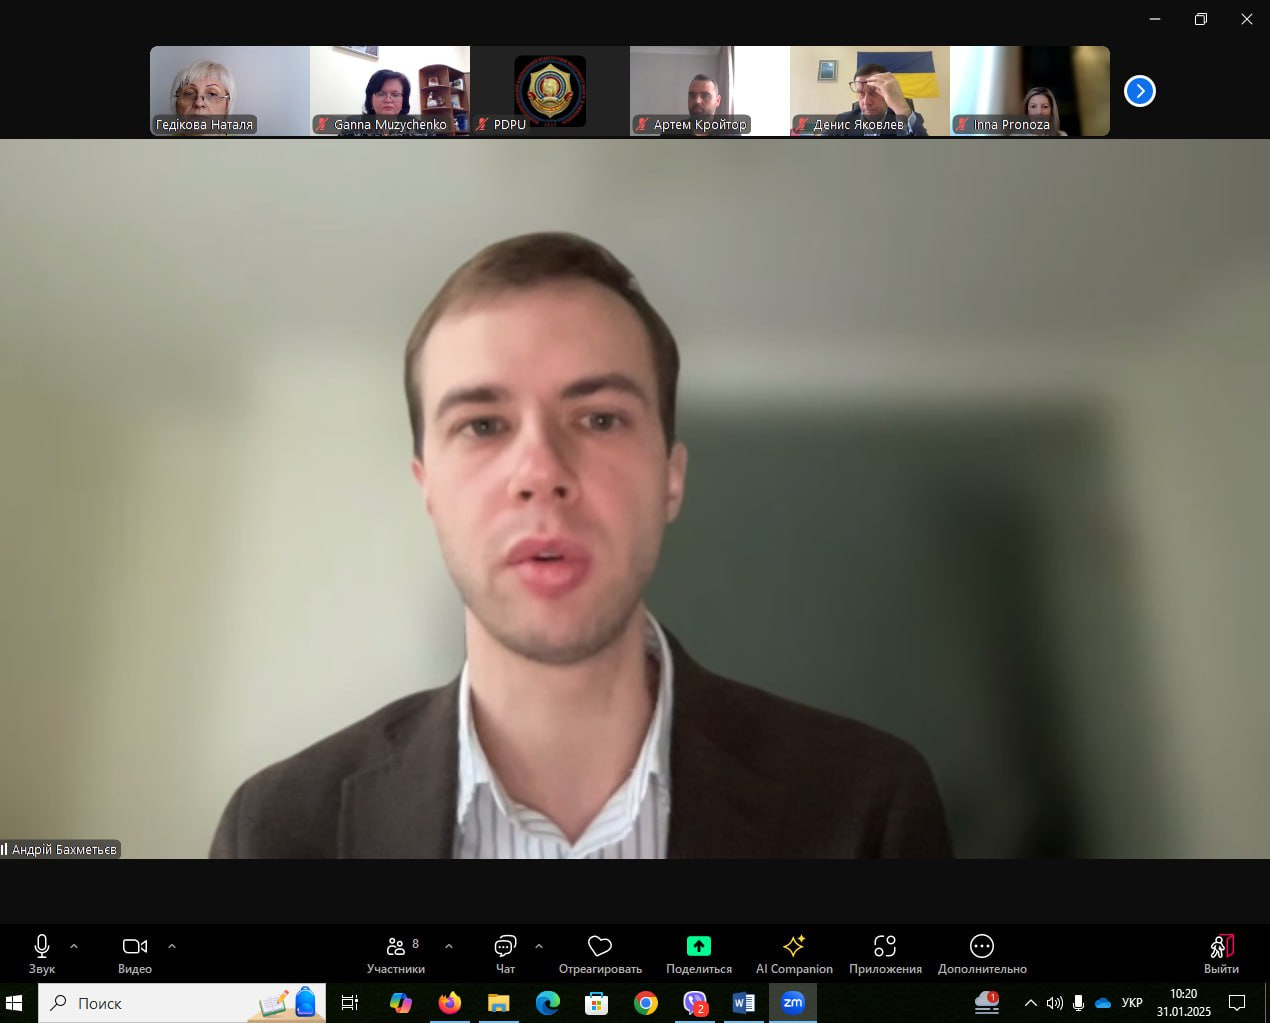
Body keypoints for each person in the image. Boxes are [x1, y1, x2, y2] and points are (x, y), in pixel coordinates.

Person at [209, 232, 953, 859]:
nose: (541, 473)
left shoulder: (868, 806)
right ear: (428, 487)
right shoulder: (277, 832)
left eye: (599, 419)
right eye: (483, 425)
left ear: (670, 478)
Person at [822, 62, 928, 137]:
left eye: (874, 92)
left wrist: (902, 109)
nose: (866, 102)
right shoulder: (843, 120)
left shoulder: (906, 119)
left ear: (887, 93)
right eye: (861, 93)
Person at [658, 73, 743, 137]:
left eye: (705, 96)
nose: (697, 101)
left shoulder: (732, 133)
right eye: (692, 95)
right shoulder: (670, 132)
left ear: (717, 101)